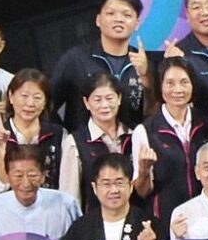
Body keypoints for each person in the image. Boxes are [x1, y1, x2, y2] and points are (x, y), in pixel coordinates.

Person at [49, 0, 150, 132]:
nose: (118, 19)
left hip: (130, 143)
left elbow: (152, 112)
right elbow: (49, 103)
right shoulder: (75, 59)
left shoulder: (144, 63)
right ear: (98, 20)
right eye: (111, 13)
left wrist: (146, 77)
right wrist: (62, 135)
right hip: (84, 143)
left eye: (127, 15)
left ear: (137, 24)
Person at [131, 56, 206, 231]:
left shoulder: (206, 123)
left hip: (203, 221)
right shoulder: (145, 131)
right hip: (164, 222)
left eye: (184, 82)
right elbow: (142, 191)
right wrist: (143, 170)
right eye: (170, 83)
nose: (177, 89)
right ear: (160, 86)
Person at [61, 72, 145, 210]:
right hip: (94, 219)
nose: (104, 105)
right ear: (86, 103)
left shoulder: (135, 135)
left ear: (119, 98)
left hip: (134, 217)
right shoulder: (75, 142)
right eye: (97, 100)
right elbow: (70, 197)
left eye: (109, 98)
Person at [0, 69, 70, 195]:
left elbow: (67, 182)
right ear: (11, 97)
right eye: (24, 96)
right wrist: (0, 149)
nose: (30, 103)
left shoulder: (59, 134)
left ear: (45, 101)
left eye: (37, 97)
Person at [0, 144, 81, 240]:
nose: (26, 184)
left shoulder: (66, 204)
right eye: (18, 175)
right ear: (7, 176)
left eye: (32, 175)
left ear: (43, 176)